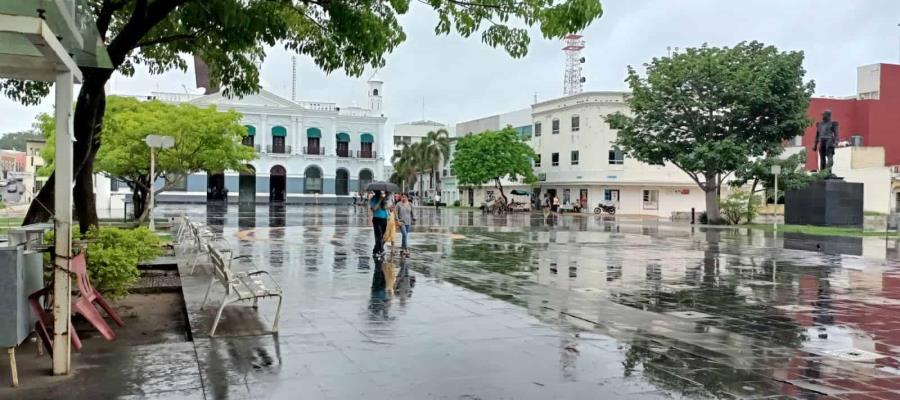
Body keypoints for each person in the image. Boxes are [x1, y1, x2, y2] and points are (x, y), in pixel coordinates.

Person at [369, 191, 392, 258]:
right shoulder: (373, 199)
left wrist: (385, 200)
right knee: (378, 235)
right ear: (376, 192)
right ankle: (381, 250)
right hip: (377, 219)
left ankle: (375, 250)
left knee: (382, 236)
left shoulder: (383, 198)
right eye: (378, 192)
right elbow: (374, 209)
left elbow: (385, 208)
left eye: (380, 192)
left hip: (384, 219)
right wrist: (380, 200)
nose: (379, 193)